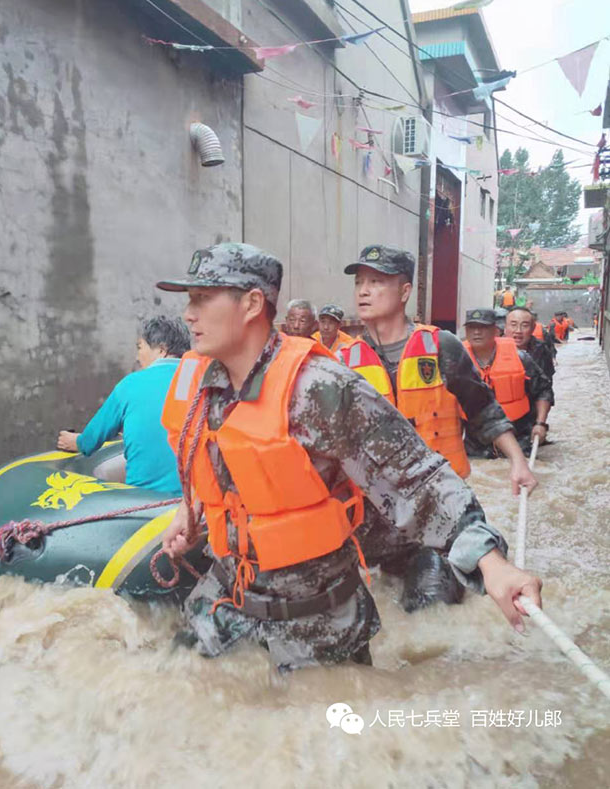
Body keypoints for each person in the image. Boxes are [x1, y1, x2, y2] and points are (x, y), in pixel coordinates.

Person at [156, 242, 542, 672]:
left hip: (313, 615)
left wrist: (492, 563)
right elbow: (218, 467)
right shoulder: (201, 379)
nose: (189, 314)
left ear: (251, 304)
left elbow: (416, 477)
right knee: (172, 689)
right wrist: (189, 512)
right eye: (189, 299)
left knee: (334, 725)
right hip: (228, 595)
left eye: (202, 299)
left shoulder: (321, 387)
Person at [339, 245, 536, 491]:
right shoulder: (344, 361)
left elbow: (482, 409)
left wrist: (518, 461)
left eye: (376, 282)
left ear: (404, 292)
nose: (363, 291)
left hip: (442, 490)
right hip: (379, 499)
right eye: (358, 283)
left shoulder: (440, 346)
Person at [56, 316, 190, 493]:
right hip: (199, 503)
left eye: (140, 347)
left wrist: (75, 442)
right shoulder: (202, 380)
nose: (137, 356)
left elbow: (90, 441)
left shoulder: (131, 385)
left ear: (161, 350)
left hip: (145, 503)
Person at [462, 309, 553, 456]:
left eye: (483, 328)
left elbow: (544, 390)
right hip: (476, 442)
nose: (476, 332)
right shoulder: (456, 360)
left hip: (518, 436)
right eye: (472, 328)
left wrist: (540, 424)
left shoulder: (520, 357)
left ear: (495, 331)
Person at [506, 307, 555, 380]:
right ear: (505, 327)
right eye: (513, 325)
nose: (518, 330)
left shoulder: (542, 350)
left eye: (525, 326)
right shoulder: (493, 349)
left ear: (533, 328)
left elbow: (546, 383)